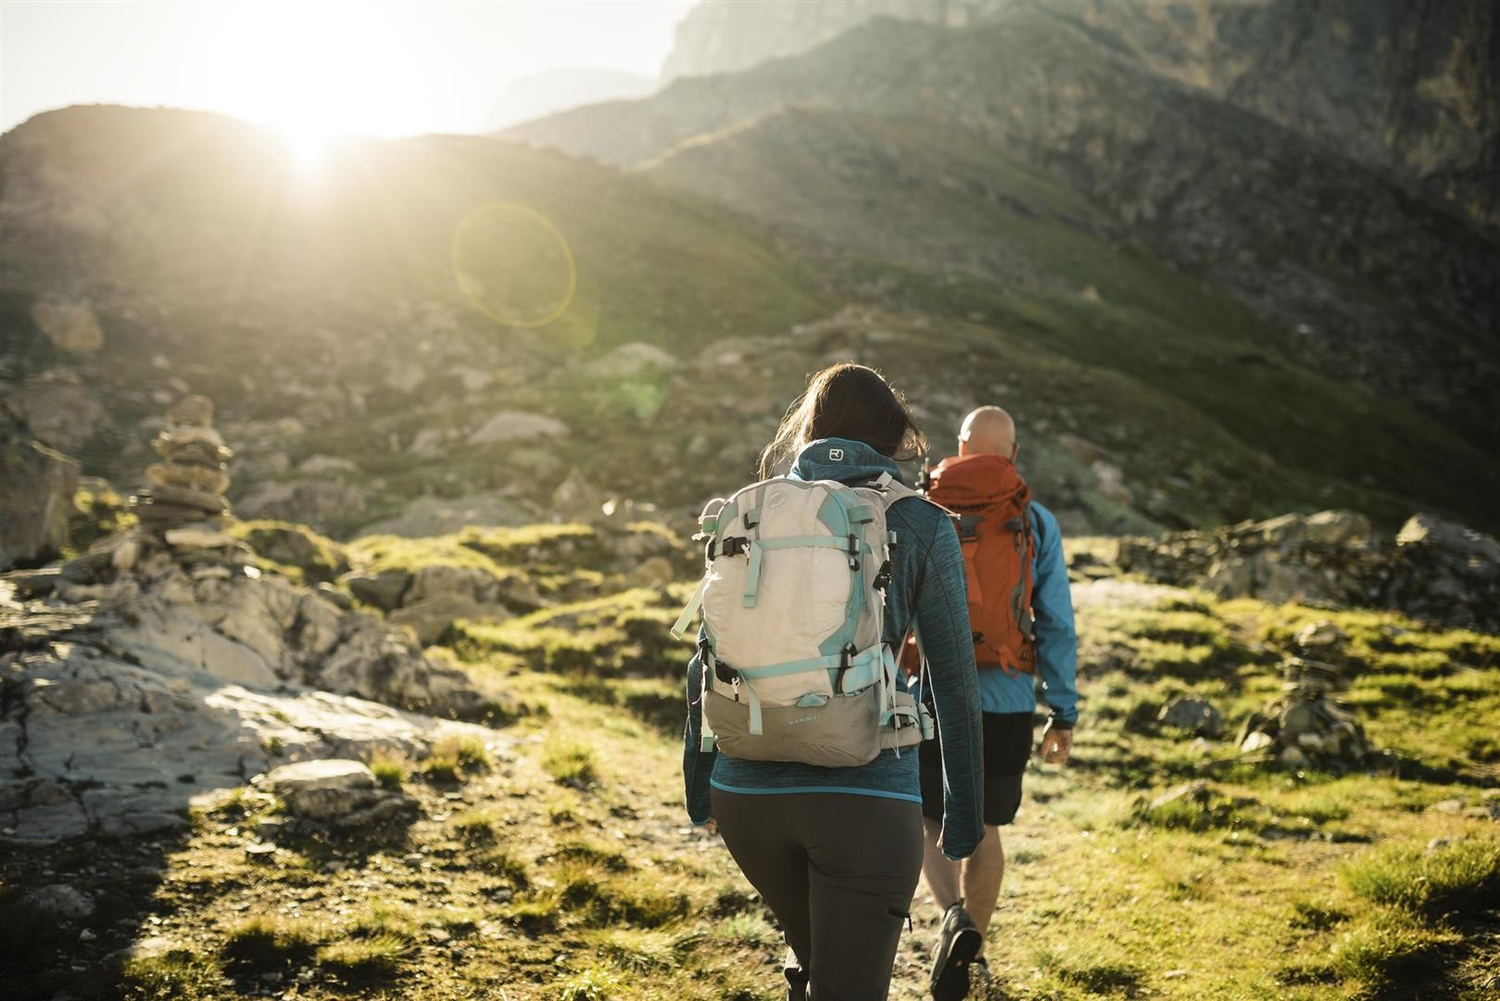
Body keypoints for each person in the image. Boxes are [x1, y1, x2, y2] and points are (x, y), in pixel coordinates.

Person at [683, 363, 986, 1000]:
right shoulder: (921, 522)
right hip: (867, 796)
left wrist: (699, 788)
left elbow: (707, 657)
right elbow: (953, 681)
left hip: (746, 793)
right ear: (892, 437)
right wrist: (964, 816)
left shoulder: (754, 511)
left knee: (818, 961)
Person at [918, 405, 1078, 1000]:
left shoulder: (921, 511)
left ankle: (951, 917)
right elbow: (1056, 622)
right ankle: (970, 953)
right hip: (1007, 698)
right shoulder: (1034, 522)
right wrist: (1063, 710)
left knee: (928, 818)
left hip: (930, 690)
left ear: (959, 448)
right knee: (983, 826)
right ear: (1011, 453)